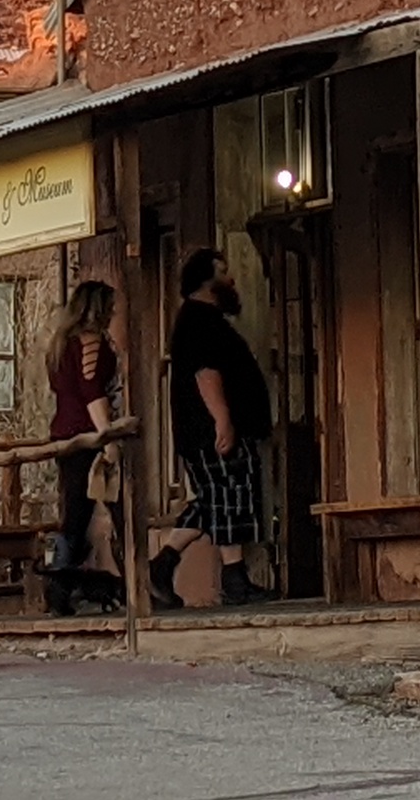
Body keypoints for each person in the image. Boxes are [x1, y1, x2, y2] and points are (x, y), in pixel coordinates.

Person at [155, 248, 272, 607]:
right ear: (207, 280)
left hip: (204, 429)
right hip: (208, 430)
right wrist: (222, 418)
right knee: (229, 495)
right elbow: (207, 375)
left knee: (211, 501)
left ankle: (161, 565)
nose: (231, 278)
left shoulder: (201, 320)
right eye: (223, 271)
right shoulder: (200, 322)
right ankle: (234, 579)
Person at [42, 281, 122, 614]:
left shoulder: (60, 344)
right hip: (86, 433)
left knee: (75, 510)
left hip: (63, 432)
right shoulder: (90, 341)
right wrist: (109, 438)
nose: (114, 313)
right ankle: (60, 586)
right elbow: (91, 390)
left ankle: (63, 584)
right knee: (106, 509)